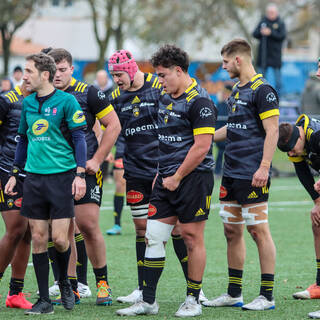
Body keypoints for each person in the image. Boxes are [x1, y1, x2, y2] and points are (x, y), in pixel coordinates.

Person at [116, 44, 217, 317]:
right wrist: (162, 175)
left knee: (191, 238)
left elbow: (202, 147)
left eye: (162, 75)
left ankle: (193, 299)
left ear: (179, 71)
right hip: (164, 179)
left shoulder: (201, 101)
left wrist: (177, 176)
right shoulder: (164, 96)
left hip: (193, 179)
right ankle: (148, 302)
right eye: (157, 76)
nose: (159, 81)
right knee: (153, 236)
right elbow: (163, 141)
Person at [5, 52, 87, 314]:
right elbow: (23, 141)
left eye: (29, 71)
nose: (24, 76)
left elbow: (79, 139)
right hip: (33, 179)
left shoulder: (67, 101)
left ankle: (63, 281)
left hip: (62, 177)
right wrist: (15, 173)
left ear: (45, 75)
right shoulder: (28, 103)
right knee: (39, 237)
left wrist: (80, 174)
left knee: (61, 240)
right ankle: (43, 300)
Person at [203, 39, 279, 311]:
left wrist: (264, 166)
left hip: (252, 172)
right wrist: (206, 137)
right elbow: (233, 128)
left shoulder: (263, 90)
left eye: (225, 62)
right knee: (230, 231)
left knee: (258, 231)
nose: (223, 67)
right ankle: (234, 293)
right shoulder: (236, 90)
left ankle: (267, 295)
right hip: (231, 173)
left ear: (238, 60)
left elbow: (273, 130)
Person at [47, 48, 121, 305]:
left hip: (85, 170)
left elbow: (114, 125)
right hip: (54, 172)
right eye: (53, 71)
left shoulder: (89, 92)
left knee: (88, 225)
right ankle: (72, 287)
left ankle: (102, 284)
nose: (57, 75)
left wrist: (98, 159)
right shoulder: (43, 95)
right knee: (63, 230)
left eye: (63, 70)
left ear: (72, 69)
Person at [277, 58, 320, 320]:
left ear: (301, 138)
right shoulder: (297, 139)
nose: (316, 73)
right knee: (317, 221)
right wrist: (317, 201)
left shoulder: (315, 135)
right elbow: (304, 173)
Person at [0, 82, 33, 310]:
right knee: (16, 230)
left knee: (28, 233)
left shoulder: (48, 101)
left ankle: (15, 294)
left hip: (36, 173)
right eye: (28, 71)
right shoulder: (6, 101)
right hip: (6, 171)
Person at [253, 2, 286, 96]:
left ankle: (279, 98)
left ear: (276, 13)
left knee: (278, 81)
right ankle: (261, 96)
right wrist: (261, 32)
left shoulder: (280, 23)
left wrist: (271, 33)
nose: (270, 14)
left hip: (275, 57)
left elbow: (282, 36)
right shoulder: (263, 22)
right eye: (269, 12)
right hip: (263, 56)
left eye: (272, 12)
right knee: (260, 80)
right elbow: (254, 34)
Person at [105, 133, 126, 235]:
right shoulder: (118, 116)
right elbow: (106, 129)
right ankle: (117, 225)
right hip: (121, 152)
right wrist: (107, 150)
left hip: (144, 153)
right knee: (120, 185)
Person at [215, 82, 232, 176]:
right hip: (219, 133)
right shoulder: (220, 104)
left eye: (226, 92)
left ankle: (227, 171)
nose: (224, 94)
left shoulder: (231, 104)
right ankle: (217, 171)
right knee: (221, 152)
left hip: (229, 134)